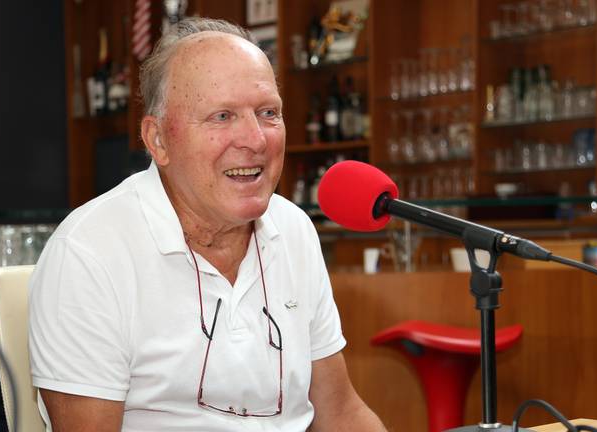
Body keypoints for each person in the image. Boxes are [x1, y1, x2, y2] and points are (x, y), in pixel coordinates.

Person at [29, 17, 386, 432]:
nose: (255, 139)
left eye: (268, 112)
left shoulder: (293, 228)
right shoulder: (91, 252)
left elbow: (340, 413)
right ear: (158, 139)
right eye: (222, 116)